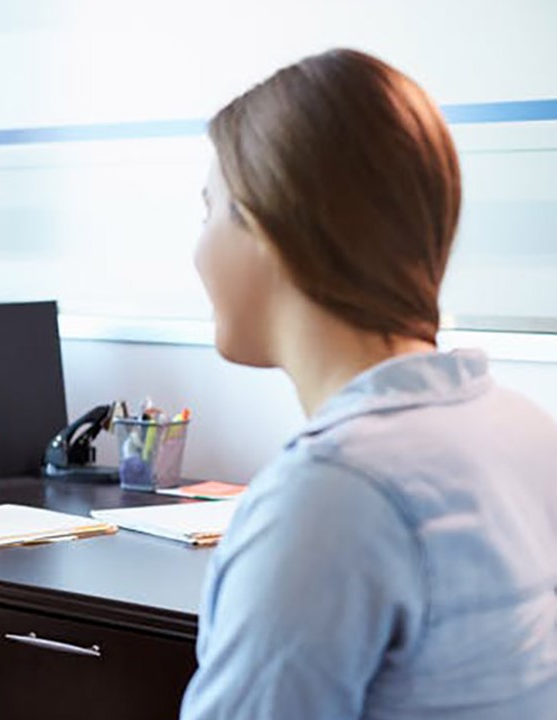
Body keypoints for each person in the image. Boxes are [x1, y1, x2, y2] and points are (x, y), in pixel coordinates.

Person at [181, 48, 557, 719]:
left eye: (209, 210)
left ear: (272, 223)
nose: (196, 249)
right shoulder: (524, 429)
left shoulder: (329, 496)